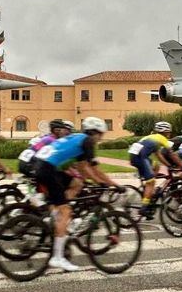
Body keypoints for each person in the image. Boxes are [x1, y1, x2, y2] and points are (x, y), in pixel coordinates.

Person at [34, 116, 121, 271]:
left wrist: (93, 181)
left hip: (43, 165)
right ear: (95, 133)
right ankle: (57, 257)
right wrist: (111, 184)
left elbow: (83, 168)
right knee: (66, 211)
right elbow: (94, 168)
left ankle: (53, 218)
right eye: (101, 135)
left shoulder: (79, 138)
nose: (100, 138)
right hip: (47, 168)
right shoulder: (88, 141)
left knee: (76, 183)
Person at [128, 122, 182, 220]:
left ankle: (149, 193)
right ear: (165, 132)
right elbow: (172, 154)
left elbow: (159, 155)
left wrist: (168, 165)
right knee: (151, 182)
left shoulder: (152, 137)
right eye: (169, 133)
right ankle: (144, 208)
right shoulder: (162, 139)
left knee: (156, 166)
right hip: (141, 158)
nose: (169, 135)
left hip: (135, 156)